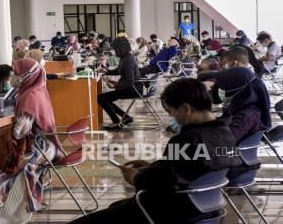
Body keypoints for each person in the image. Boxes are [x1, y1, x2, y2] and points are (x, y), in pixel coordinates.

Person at [72, 79, 240, 224]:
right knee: (117, 208)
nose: (171, 118)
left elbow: (164, 180)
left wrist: (136, 177)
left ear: (186, 109)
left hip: (172, 211)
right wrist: (152, 166)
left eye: (171, 112)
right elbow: (190, 167)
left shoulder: (188, 139)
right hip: (206, 208)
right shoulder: (225, 132)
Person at [0, 58, 62, 224]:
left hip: (40, 146)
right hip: (46, 145)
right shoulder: (39, 90)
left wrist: (3, 137)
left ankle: (3, 218)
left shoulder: (30, 97)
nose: (14, 76)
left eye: (17, 73)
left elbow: (19, 131)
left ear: (27, 75)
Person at [98, 37, 141, 130]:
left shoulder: (128, 60)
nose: (113, 51)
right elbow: (119, 70)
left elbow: (130, 81)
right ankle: (125, 118)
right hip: (131, 87)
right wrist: (106, 72)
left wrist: (116, 85)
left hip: (133, 89)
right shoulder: (124, 57)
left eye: (114, 49)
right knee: (104, 98)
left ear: (120, 48)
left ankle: (117, 123)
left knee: (102, 98)